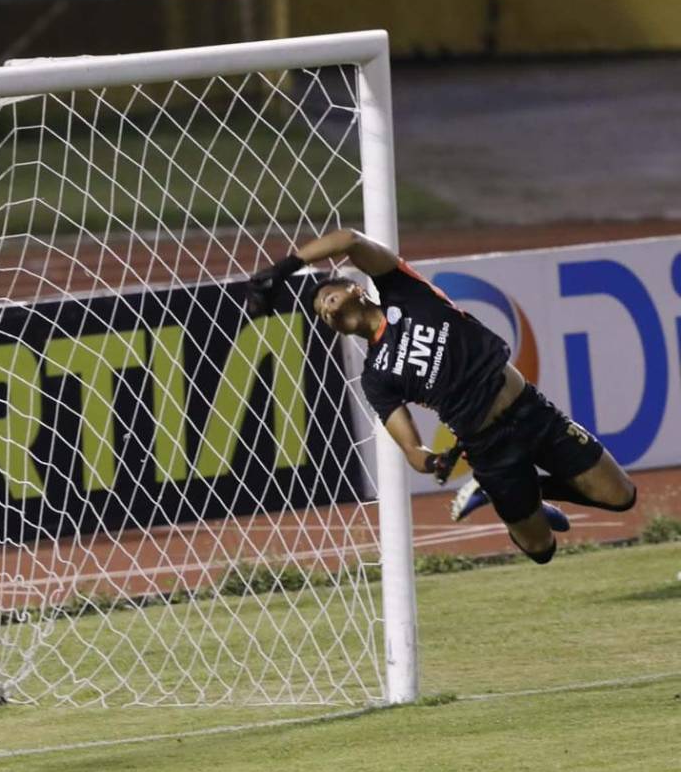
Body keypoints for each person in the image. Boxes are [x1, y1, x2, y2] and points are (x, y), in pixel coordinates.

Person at [246, 228, 637, 564]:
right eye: (320, 313)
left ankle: (527, 492)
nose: (325, 310)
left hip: (530, 410)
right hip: (488, 447)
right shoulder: (376, 377)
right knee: (541, 548)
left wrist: (281, 271)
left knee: (621, 496)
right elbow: (412, 451)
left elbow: (348, 239)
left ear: (354, 287)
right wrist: (432, 461)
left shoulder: (405, 292)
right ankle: (500, 490)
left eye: (327, 297)